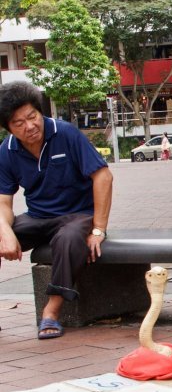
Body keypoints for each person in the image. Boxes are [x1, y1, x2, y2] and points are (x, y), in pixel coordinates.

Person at [0, 81, 113, 339]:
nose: (30, 126)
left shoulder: (65, 133)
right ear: (9, 128)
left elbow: (103, 177)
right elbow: (3, 202)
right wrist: (5, 231)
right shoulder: (6, 151)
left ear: (40, 112)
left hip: (79, 214)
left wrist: (99, 229)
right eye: (19, 123)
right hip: (39, 217)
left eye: (32, 116)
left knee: (68, 238)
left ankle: (51, 312)